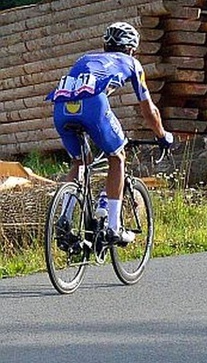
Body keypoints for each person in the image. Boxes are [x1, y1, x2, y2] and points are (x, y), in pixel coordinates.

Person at [48, 22, 173, 245]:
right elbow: (149, 109)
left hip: (60, 106)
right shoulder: (133, 63)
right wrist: (162, 135)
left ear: (105, 45)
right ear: (132, 48)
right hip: (92, 105)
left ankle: (65, 217)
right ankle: (113, 228)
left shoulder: (85, 58)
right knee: (117, 156)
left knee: (81, 161)